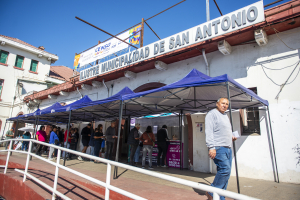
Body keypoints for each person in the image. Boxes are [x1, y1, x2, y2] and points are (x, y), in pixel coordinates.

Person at [205, 97, 237, 200]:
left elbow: (223, 130)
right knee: (225, 169)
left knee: (226, 175)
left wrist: (231, 136)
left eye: (227, 104)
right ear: (217, 104)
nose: (225, 105)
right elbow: (209, 131)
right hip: (218, 148)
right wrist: (211, 147)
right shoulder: (212, 114)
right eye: (223, 103)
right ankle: (212, 190)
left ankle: (220, 197)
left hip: (228, 148)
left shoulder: (225, 115)